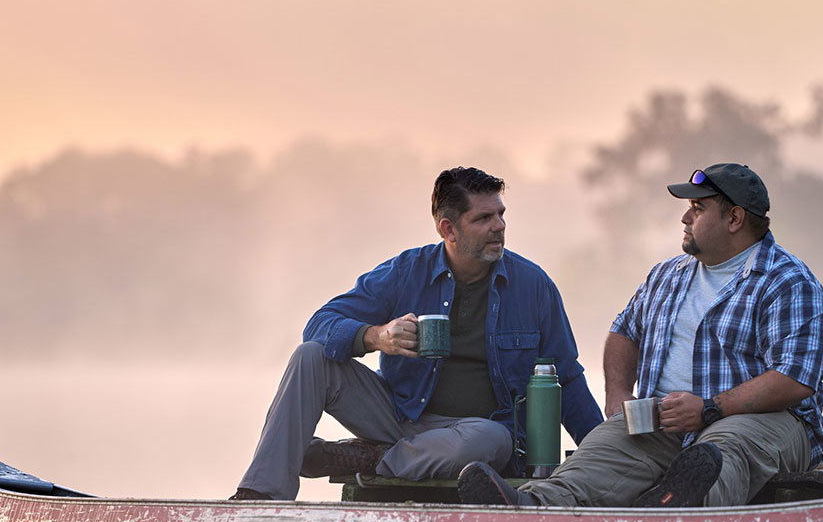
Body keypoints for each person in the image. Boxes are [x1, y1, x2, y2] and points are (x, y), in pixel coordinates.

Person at [458, 163, 823, 508]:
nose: (685, 217)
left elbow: (794, 378)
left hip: (765, 421)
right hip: (665, 419)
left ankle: (682, 511)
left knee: (727, 446)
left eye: (698, 209)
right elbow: (624, 333)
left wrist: (709, 409)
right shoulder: (668, 275)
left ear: (734, 218)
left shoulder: (789, 282)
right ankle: (533, 507)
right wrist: (618, 394)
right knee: (604, 445)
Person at [231, 166, 603, 501]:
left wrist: (604, 456)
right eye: (484, 217)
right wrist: (376, 336)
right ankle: (261, 494)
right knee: (310, 356)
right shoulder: (405, 271)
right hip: (397, 416)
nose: (499, 226)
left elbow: (566, 378)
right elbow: (319, 325)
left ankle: (367, 457)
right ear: (448, 229)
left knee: (492, 438)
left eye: (501, 214)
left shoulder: (533, 285)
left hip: (473, 436)